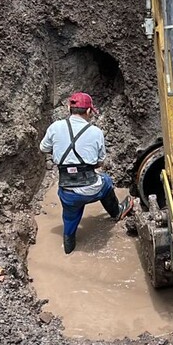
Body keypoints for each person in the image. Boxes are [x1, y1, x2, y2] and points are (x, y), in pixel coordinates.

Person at [40, 92, 133, 254]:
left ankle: (69, 247)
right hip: (93, 188)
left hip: (68, 192)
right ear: (89, 112)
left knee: (69, 218)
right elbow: (100, 161)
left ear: (69, 108)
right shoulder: (95, 132)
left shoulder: (55, 127)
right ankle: (117, 212)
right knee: (106, 181)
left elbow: (43, 148)